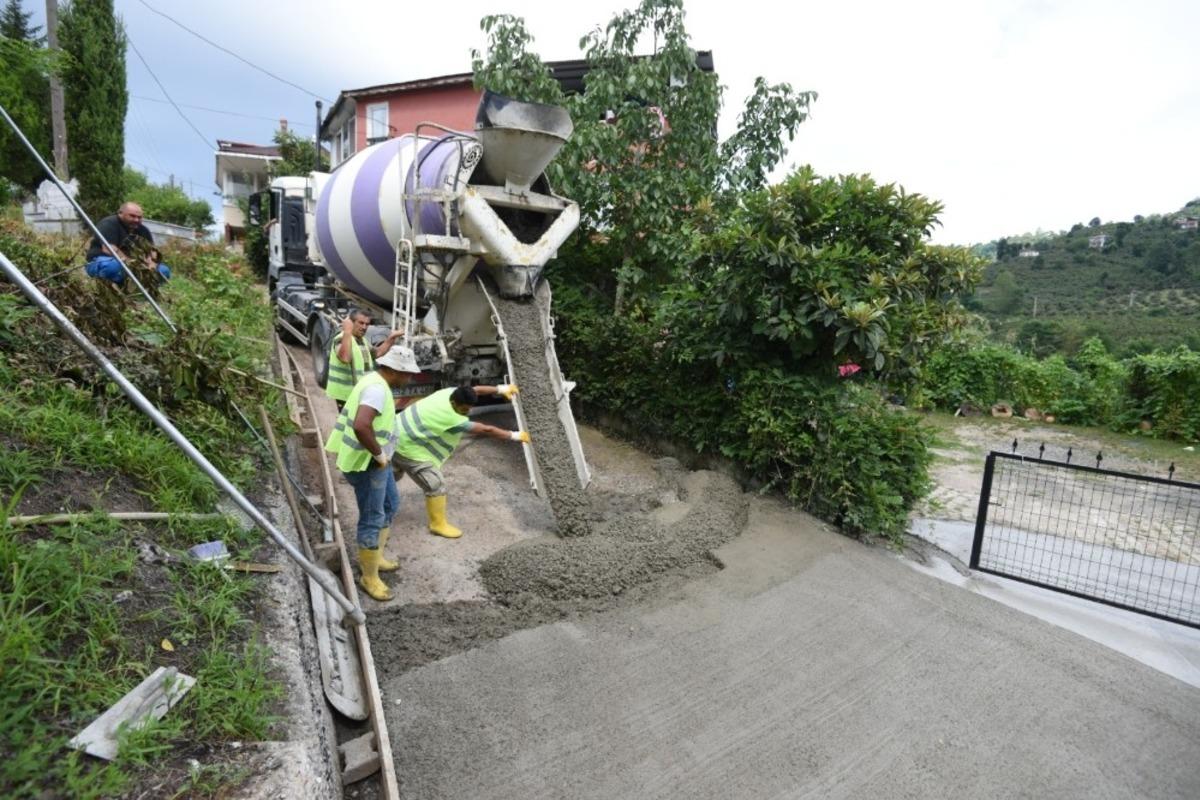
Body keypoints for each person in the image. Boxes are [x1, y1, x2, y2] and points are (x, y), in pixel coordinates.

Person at [323, 345, 421, 601]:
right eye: (407, 373)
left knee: (390, 504)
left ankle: (375, 557)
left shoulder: (375, 381)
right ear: (394, 369)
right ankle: (368, 577)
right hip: (366, 463)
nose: (409, 378)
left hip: (377, 461)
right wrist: (378, 454)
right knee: (372, 516)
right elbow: (361, 425)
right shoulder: (377, 390)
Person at [393, 384, 529, 539]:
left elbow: (475, 389)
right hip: (406, 446)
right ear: (453, 404)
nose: (467, 413)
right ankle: (437, 524)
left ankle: (382, 497)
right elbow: (486, 430)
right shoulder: (450, 417)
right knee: (435, 484)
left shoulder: (449, 393)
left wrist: (500, 389)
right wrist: (514, 436)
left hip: (394, 432)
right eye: (464, 410)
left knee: (392, 473)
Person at [325, 308, 405, 411]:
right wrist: (347, 331)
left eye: (367, 324)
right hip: (346, 395)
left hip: (360, 392)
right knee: (349, 424)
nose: (364, 327)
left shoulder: (362, 340)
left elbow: (377, 353)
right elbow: (345, 358)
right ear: (351, 323)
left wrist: (392, 338)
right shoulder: (341, 339)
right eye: (361, 323)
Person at [84, 202, 171, 285]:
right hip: (104, 260)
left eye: (139, 217)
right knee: (113, 266)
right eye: (132, 216)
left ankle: (136, 287)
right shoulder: (109, 223)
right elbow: (108, 249)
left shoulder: (144, 230)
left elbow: (152, 252)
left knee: (164, 270)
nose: (136, 220)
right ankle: (115, 284)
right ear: (120, 213)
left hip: (135, 266)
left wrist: (152, 263)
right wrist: (132, 263)